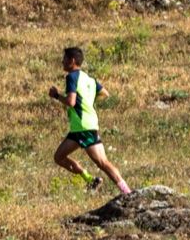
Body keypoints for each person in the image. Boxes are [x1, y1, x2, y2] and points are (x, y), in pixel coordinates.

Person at [49, 46, 132, 195]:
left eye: (64, 59)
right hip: (79, 128)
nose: (62, 61)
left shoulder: (71, 77)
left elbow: (71, 102)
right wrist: (88, 100)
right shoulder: (89, 79)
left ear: (72, 61)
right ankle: (90, 180)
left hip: (84, 127)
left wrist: (56, 96)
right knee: (59, 157)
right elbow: (105, 93)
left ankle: (128, 193)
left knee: (103, 163)